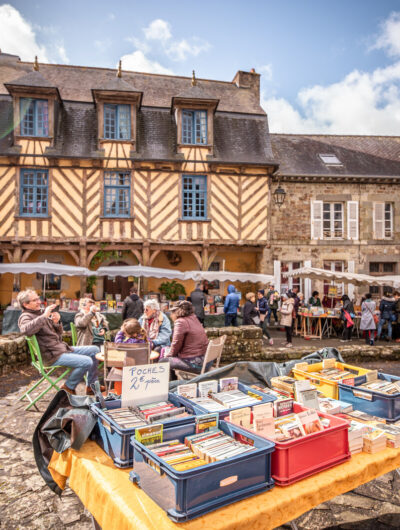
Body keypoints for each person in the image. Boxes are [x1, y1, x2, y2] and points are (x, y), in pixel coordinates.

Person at [17, 289, 103, 395]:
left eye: (38, 298)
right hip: (51, 356)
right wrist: (44, 316)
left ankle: (91, 386)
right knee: (87, 361)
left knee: (94, 349)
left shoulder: (40, 313)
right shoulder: (26, 316)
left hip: (60, 349)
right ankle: (68, 387)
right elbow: (26, 330)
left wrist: (57, 323)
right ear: (25, 304)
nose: (39, 301)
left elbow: (58, 334)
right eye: (35, 300)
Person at [159, 301, 209, 375]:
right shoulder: (194, 318)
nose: (171, 315)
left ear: (177, 312)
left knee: (163, 361)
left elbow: (176, 344)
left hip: (194, 363)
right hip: (205, 360)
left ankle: (172, 384)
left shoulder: (180, 322)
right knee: (169, 357)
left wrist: (168, 355)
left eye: (172, 312)